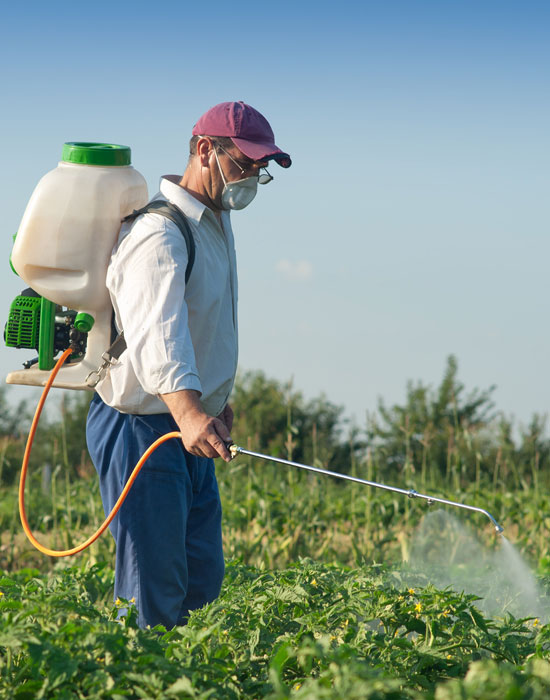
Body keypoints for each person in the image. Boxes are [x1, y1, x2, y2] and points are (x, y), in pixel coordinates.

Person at [86, 101, 291, 629]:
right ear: (206, 150)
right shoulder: (160, 231)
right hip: (142, 427)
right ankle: (140, 681)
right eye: (245, 163)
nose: (252, 177)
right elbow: (160, 335)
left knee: (201, 579)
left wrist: (215, 403)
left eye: (260, 169)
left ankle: (187, 680)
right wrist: (189, 410)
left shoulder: (214, 224)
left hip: (186, 423)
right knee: (154, 588)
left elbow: (208, 326)